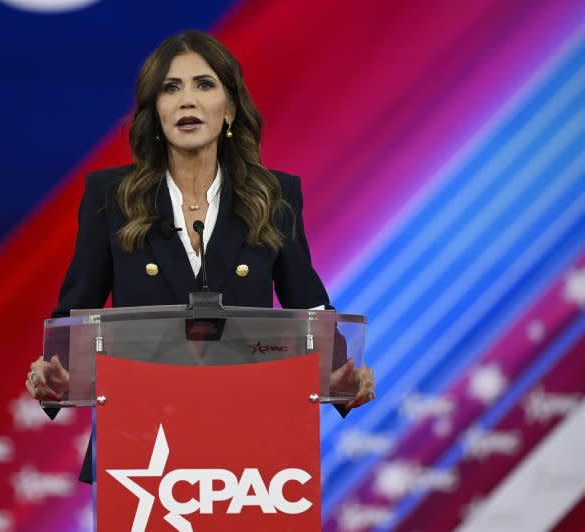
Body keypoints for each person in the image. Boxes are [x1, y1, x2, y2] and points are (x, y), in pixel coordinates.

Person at [24, 30, 375, 482]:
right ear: (154, 112)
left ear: (229, 108)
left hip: (249, 450)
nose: (187, 100)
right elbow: (74, 321)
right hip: (138, 451)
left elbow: (310, 308)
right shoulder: (110, 197)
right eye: (171, 88)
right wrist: (53, 378)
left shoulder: (273, 196)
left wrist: (344, 381)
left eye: (203, 84)